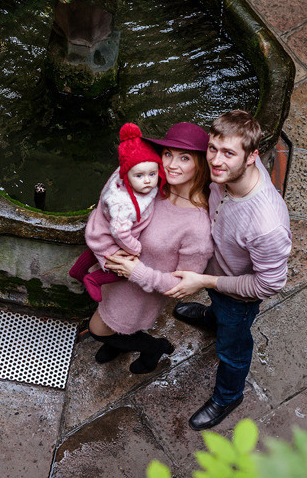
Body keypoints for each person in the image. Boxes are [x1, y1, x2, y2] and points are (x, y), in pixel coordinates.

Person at [163, 110, 292, 430]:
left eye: (229, 154)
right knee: (218, 309)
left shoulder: (267, 225)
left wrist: (204, 280)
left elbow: (269, 284)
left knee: (233, 349)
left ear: (252, 157)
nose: (216, 161)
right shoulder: (224, 173)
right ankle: (212, 319)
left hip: (237, 297)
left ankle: (229, 395)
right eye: (212, 149)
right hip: (215, 272)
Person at [85, 123, 215, 375]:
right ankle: (120, 342)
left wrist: (137, 272)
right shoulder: (153, 182)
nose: (171, 165)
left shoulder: (198, 227)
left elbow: (181, 286)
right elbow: (109, 209)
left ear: (200, 164)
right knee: (112, 328)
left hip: (138, 292)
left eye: (184, 158)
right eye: (167, 154)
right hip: (116, 276)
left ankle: (154, 347)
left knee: (97, 329)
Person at [68, 123, 163, 301]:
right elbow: (119, 232)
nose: (148, 181)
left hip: (99, 226)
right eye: (139, 176)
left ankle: (77, 270)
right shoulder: (123, 204)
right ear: (127, 176)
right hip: (110, 233)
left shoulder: (125, 169)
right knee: (124, 268)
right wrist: (135, 249)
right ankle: (93, 279)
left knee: (95, 250)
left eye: (153, 174)